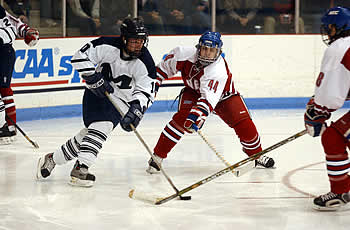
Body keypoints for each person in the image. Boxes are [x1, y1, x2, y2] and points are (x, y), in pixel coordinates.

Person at [36, 17, 156, 187]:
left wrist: (137, 108)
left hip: (121, 102)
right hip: (96, 94)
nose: (138, 45)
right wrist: (91, 76)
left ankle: (53, 158)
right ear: (123, 38)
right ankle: (81, 168)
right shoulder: (106, 45)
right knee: (102, 126)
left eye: (141, 41)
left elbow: (146, 91)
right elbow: (79, 57)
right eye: (134, 41)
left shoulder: (146, 63)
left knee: (90, 135)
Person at [146, 31, 275, 174]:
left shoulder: (218, 70)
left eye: (212, 50)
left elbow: (207, 100)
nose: (207, 53)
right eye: (205, 49)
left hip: (224, 97)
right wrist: (153, 86)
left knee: (245, 126)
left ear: (218, 51)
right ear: (198, 47)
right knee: (180, 121)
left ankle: (256, 155)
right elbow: (162, 70)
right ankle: (157, 157)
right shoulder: (182, 54)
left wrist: (196, 117)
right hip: (194, 92)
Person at [304, 6, 350, 211]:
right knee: (337, 135)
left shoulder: (339, 47)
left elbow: (331, 94)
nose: (327, 31)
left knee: (332, 137)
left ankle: (340, 191)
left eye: (329, 27)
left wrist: (317, 112)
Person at [0, 4, 39, 144]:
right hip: (5, 52)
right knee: (3, 89)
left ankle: (10, 127)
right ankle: (8, 126)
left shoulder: (1, 13)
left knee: (4, 89)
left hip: (4, 53)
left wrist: (27, 32)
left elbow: (15, 23)